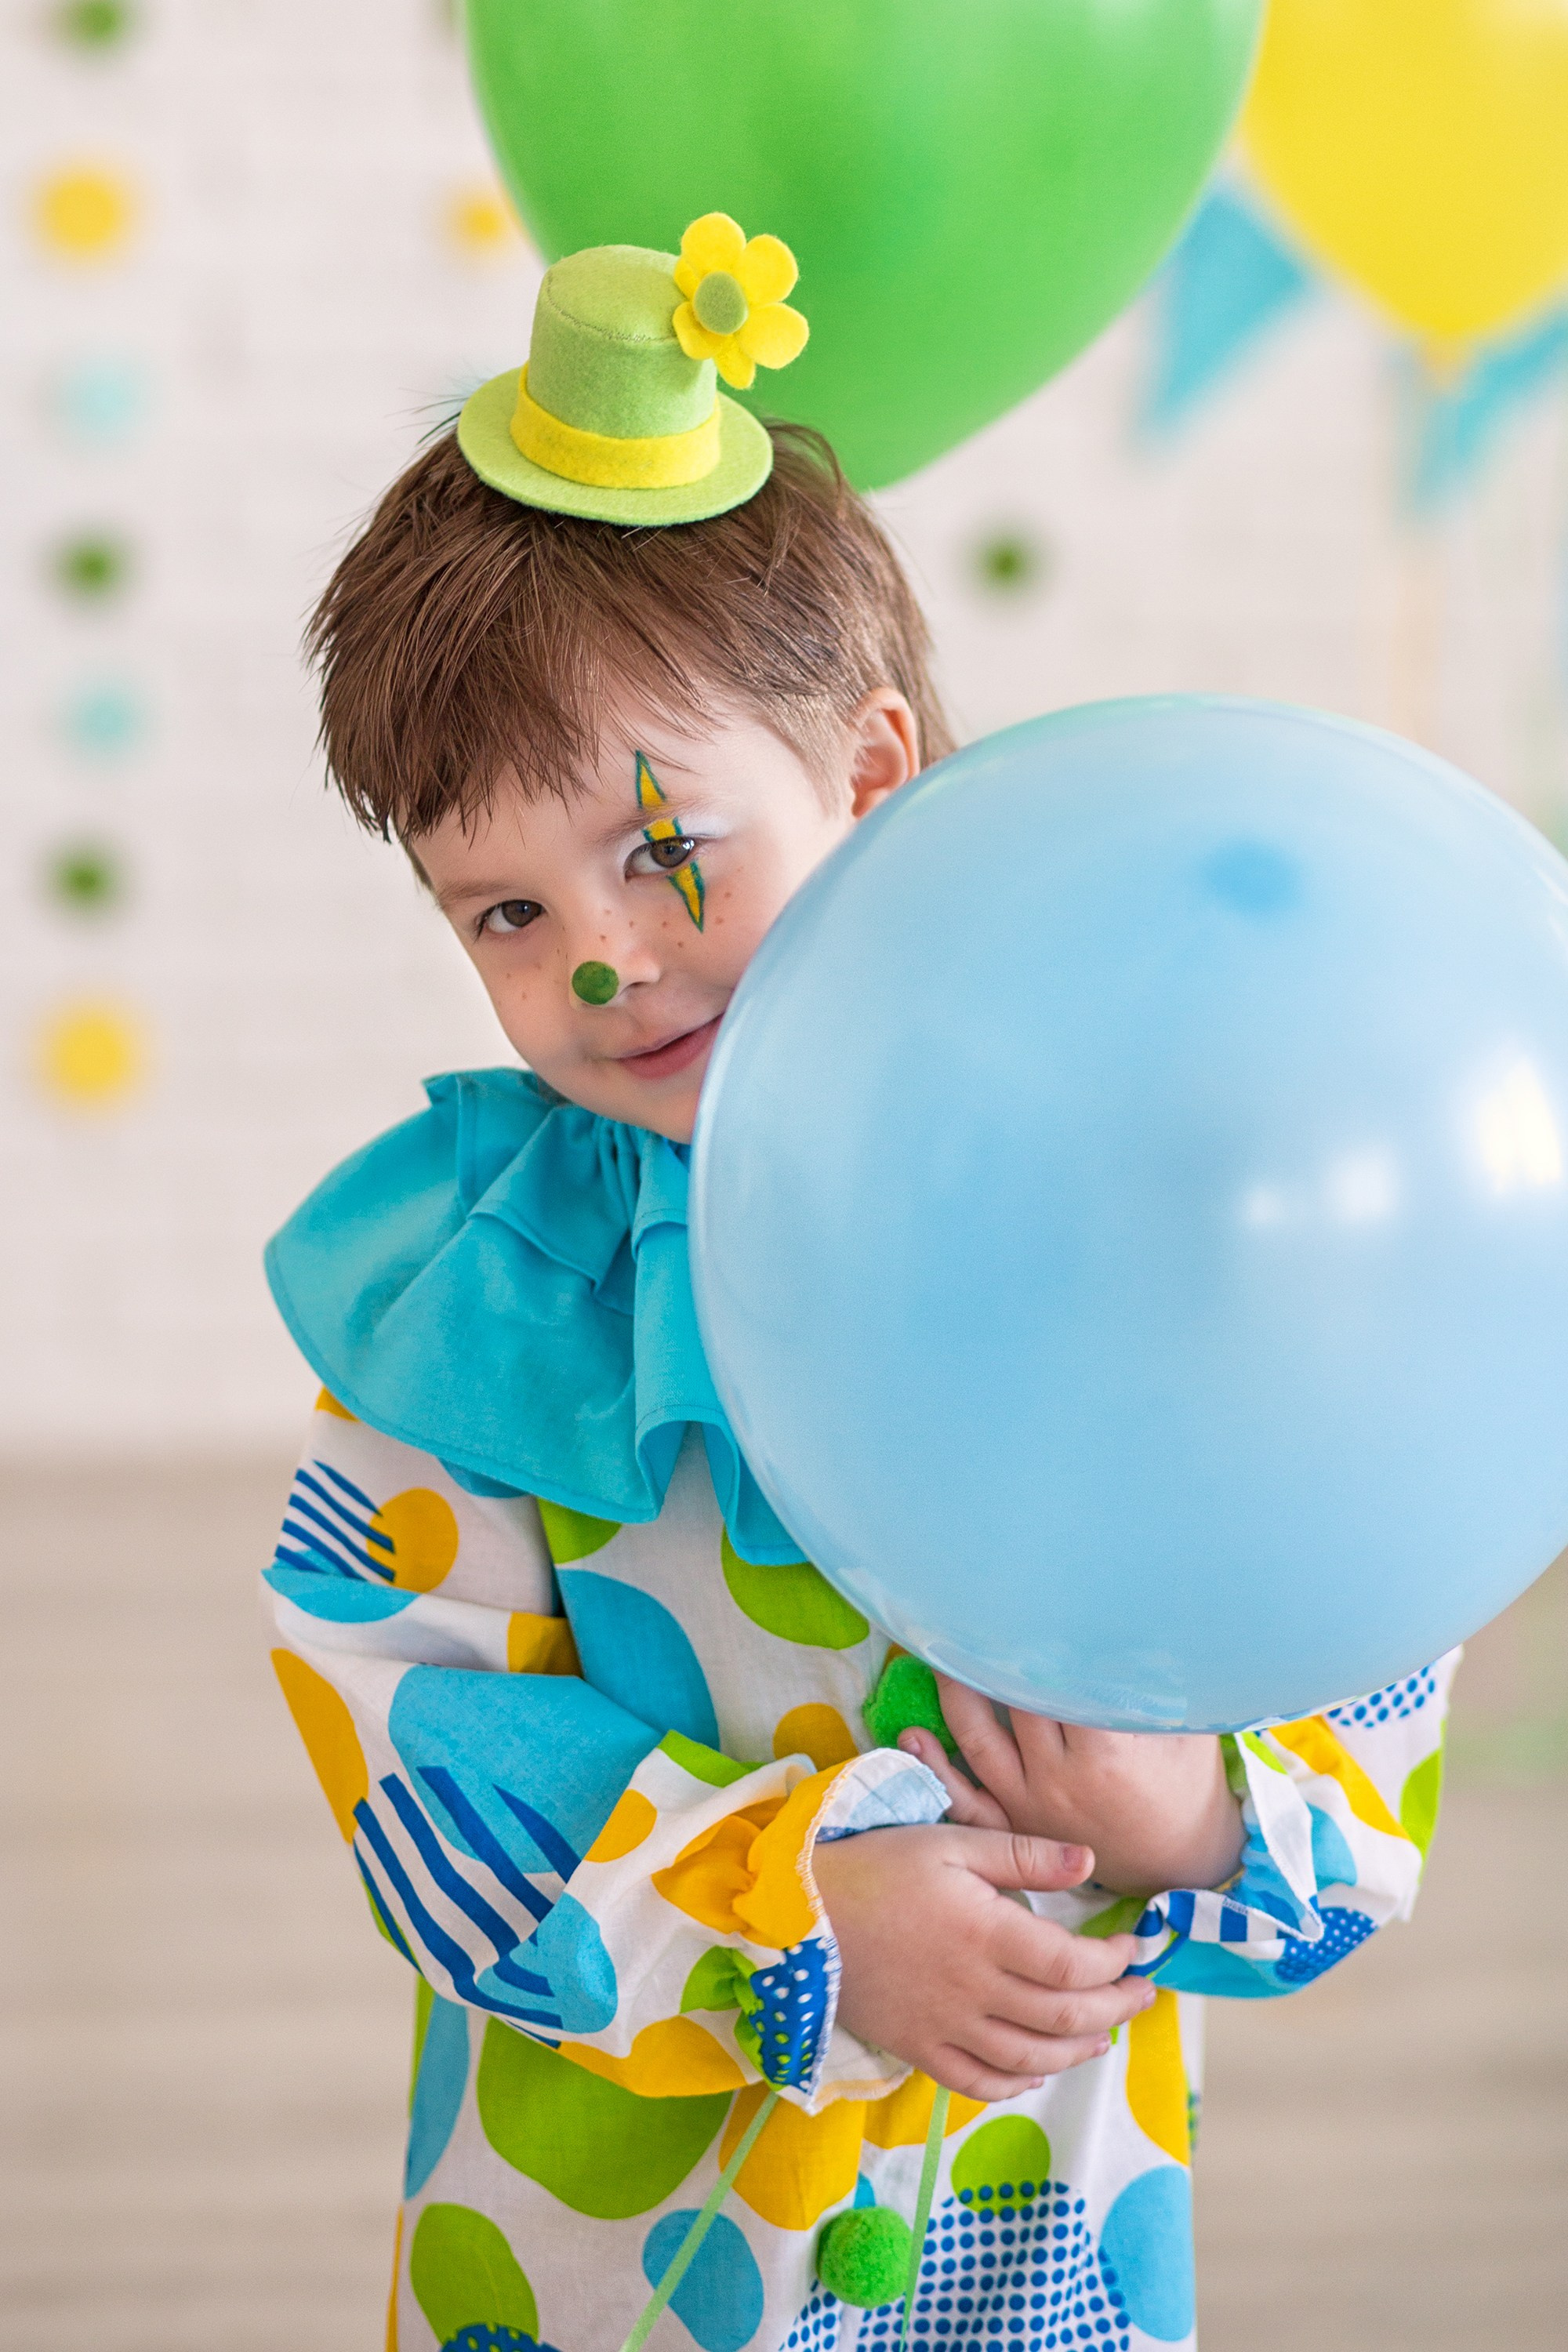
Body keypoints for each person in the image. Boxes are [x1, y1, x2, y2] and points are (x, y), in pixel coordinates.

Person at [263, 214, 1456, 2352]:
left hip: (1036, 2236)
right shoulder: (483, 1290)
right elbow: (406, 1744)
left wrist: (1192, 1814)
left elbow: (1357, 1627)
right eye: (504, 913)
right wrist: (778, 1920)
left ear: (875, 772)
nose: (599, 964)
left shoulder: (1141, 1207)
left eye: (660, 848)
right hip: (618, 2267)